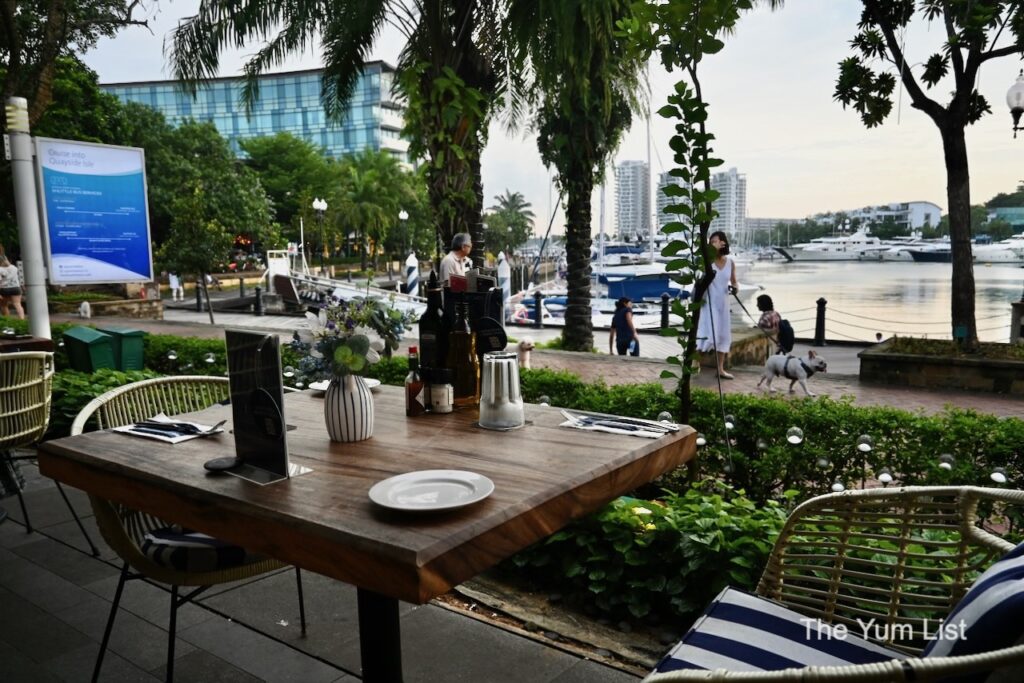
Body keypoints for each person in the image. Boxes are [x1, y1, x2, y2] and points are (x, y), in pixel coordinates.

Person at [696, 231, 738, 379]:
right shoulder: (707, 262)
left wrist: (735, 288)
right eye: (711, 241)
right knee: (707, 333)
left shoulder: (730, 262)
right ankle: (695, 363)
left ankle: (720, 369)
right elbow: (699, 282)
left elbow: (733, 281)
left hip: (723, 303)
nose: (713, 244)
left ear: (723, 243)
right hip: (709, 302)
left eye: (715, 241)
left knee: (723, 334)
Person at [0, 254, 24, 319]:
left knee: (4, 305)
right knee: (18, 305)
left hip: (4, 289)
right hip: (15, 288)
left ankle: (7, 321)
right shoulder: (14, 268)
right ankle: (22, 320)